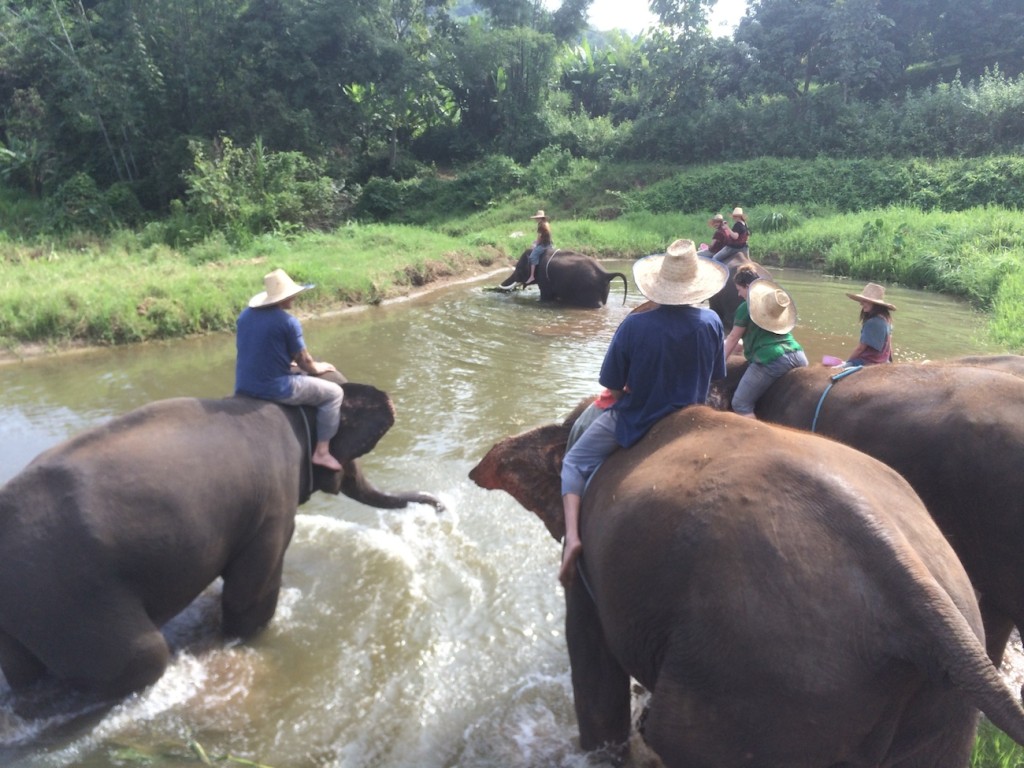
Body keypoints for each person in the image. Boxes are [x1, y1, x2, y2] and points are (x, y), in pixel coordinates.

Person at [558, 239, 728, 585]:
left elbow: (614, 385)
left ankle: (572, 537)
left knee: (574, 462)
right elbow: (715, 376)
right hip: (693, 420)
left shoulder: (634, 326)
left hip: (638, 416)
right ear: (696, 286)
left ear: (659, 285)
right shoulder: (711, 322)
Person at [235, 268, 345, 471]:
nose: (295, 297)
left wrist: (285, 361)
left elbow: (258, 348)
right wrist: (316, 368)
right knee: (334, 394)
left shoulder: (244, 316)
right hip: (274, 387)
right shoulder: (288, 322)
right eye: (292, 295)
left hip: (243, 384)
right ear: (283, 298)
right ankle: (322, 452)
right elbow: (304, 362)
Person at [722, 266, 808, 418]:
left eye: (739, 289)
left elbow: (733, 338)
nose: (738, 294)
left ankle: (757, 439)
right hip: (798, 354)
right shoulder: (770, 306)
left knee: (740, 404)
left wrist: (719, 364)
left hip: (773, 359)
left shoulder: (745, 307)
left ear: (748, 287)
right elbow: (765, 336)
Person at [844, 282, 896, 366]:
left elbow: (860, 349)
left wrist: (847, 362)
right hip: (884, 361)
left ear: (875, 304)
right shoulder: (887, 320)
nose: (861, 304)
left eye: (865, 301)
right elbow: (889, 347)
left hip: (869, 362)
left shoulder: (872, 322)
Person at [525, 209, 553, 285]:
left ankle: (532, 276)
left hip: (544, 245)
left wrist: (535, 245)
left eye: (537, 218)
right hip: (549, 244)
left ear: (541, 218)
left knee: (532, 257)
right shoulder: (546, 223)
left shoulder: (541, 225)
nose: (536, 219)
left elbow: (539, 237)